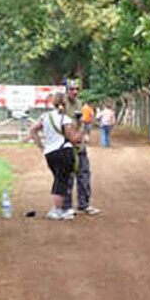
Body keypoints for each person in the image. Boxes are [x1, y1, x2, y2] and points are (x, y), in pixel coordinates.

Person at [28, 92, 79, 220]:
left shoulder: (45, 116)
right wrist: (80, 130)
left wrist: (41, 146)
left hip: (50, 153)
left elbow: (33, 130)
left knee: (58, 179)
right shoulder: (65, 119)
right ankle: (57, 210)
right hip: (64, 151)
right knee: (62, 181)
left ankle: (60, 208)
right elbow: (72, 138)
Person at [62, 80, 101, 216]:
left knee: (84, 174)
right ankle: (66, 206)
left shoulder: (80, 104)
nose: (75, 92)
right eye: (72, 89)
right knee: (67, 177)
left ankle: (84, 204)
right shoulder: (62, 105)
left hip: (79, 145)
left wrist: (83, 135)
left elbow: (81, 123)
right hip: (66, 145)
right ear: (67, 90)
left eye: (77, 89)